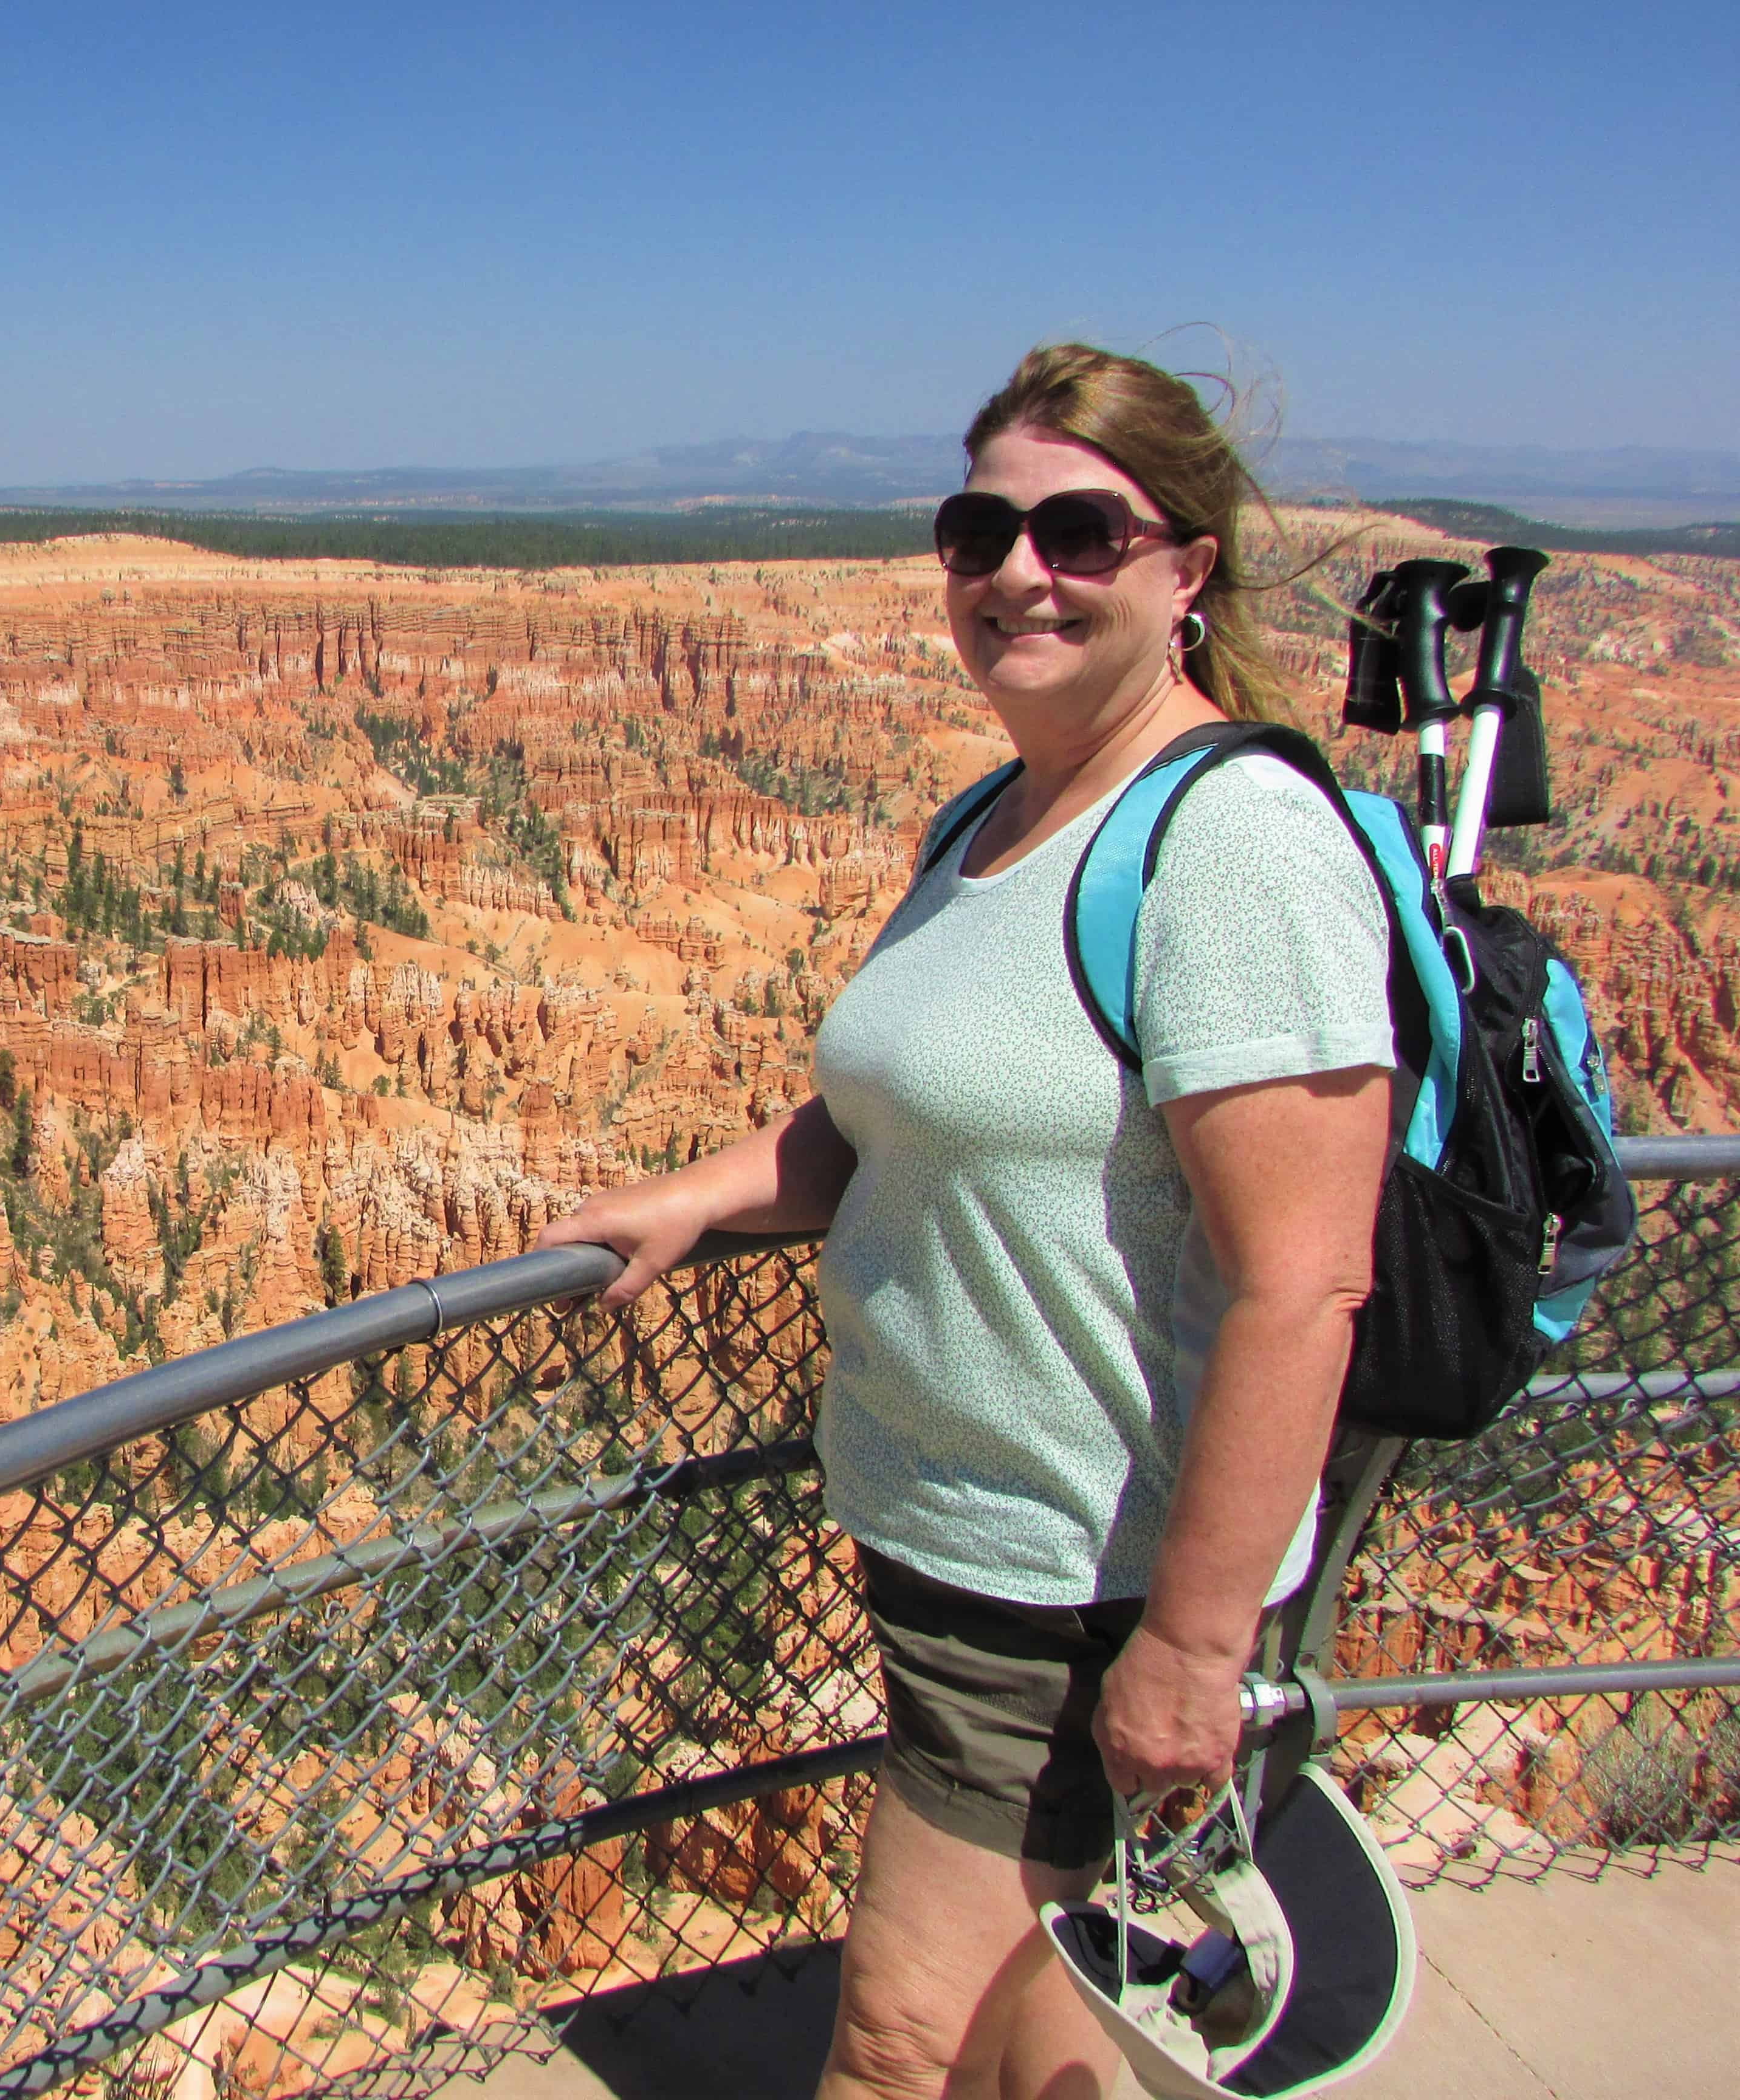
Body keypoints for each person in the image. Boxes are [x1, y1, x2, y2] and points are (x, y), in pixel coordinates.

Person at [537, 343, 1393, 2100]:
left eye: (1082, 530)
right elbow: (894, 1124)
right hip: (957, 1556)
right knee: (1029, 2066)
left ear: (1188, 567)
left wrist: (1194, 1646)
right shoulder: (992, 822)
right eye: (978, 528)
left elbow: (1305, 1283)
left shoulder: (1232, 843)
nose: (1019, 570)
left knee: (904, 2049)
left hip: (1088, 1592)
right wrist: (701, 1196)